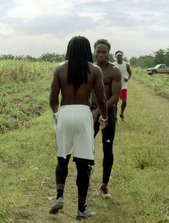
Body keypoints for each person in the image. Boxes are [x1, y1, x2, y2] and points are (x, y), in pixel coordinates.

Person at [49, 36, 108, 219]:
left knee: (62, 158)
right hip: (83, 114)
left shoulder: (60, 69)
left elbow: (53, 99)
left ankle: (59, 196)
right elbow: (101, 99)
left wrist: (57, 115)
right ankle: (81, 209)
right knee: (83, 164)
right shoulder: (94, 70)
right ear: (88, 50)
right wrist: (103, 117)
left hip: (65, 112)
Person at [90, 39, 122, 199]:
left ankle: (104, 186)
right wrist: (91, 111)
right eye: (99, 51)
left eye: (104, 52)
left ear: (108, 52)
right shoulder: (89, 69)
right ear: (94, 52)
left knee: (107, 148)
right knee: (87, 144)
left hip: (108, 111)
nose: (101, 54)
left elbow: (115, 97)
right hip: (91, 111)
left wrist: (100, 112)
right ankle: (87, 172)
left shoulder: (114, 71)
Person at [112, 51, 132, 121]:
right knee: (115, 103)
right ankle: (115, 117)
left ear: (122, 56)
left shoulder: (126, 65)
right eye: (118, 56)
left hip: (123, 86)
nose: (119, 57)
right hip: (116, 86)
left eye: (121, 56)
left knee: (124, 101)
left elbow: (130, 73)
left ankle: (122, 113)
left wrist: (128, 78)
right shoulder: (113, 65)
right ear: (116, 57)